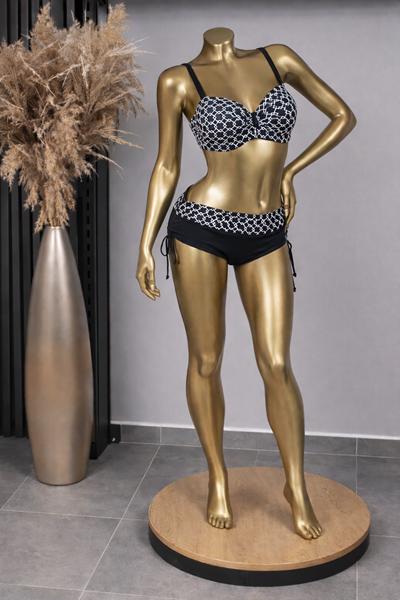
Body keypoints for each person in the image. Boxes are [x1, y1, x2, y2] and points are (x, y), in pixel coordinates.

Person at [136, 28, 356, 539]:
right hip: (200, 228)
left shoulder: (278, 59)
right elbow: (167, 165)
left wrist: (291, 172)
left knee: (276, 364)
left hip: (267, 231)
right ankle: (218, 477)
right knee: (205, 359)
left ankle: (295, 485)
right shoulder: (178, 81)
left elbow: (342, 116)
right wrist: (145, 243)